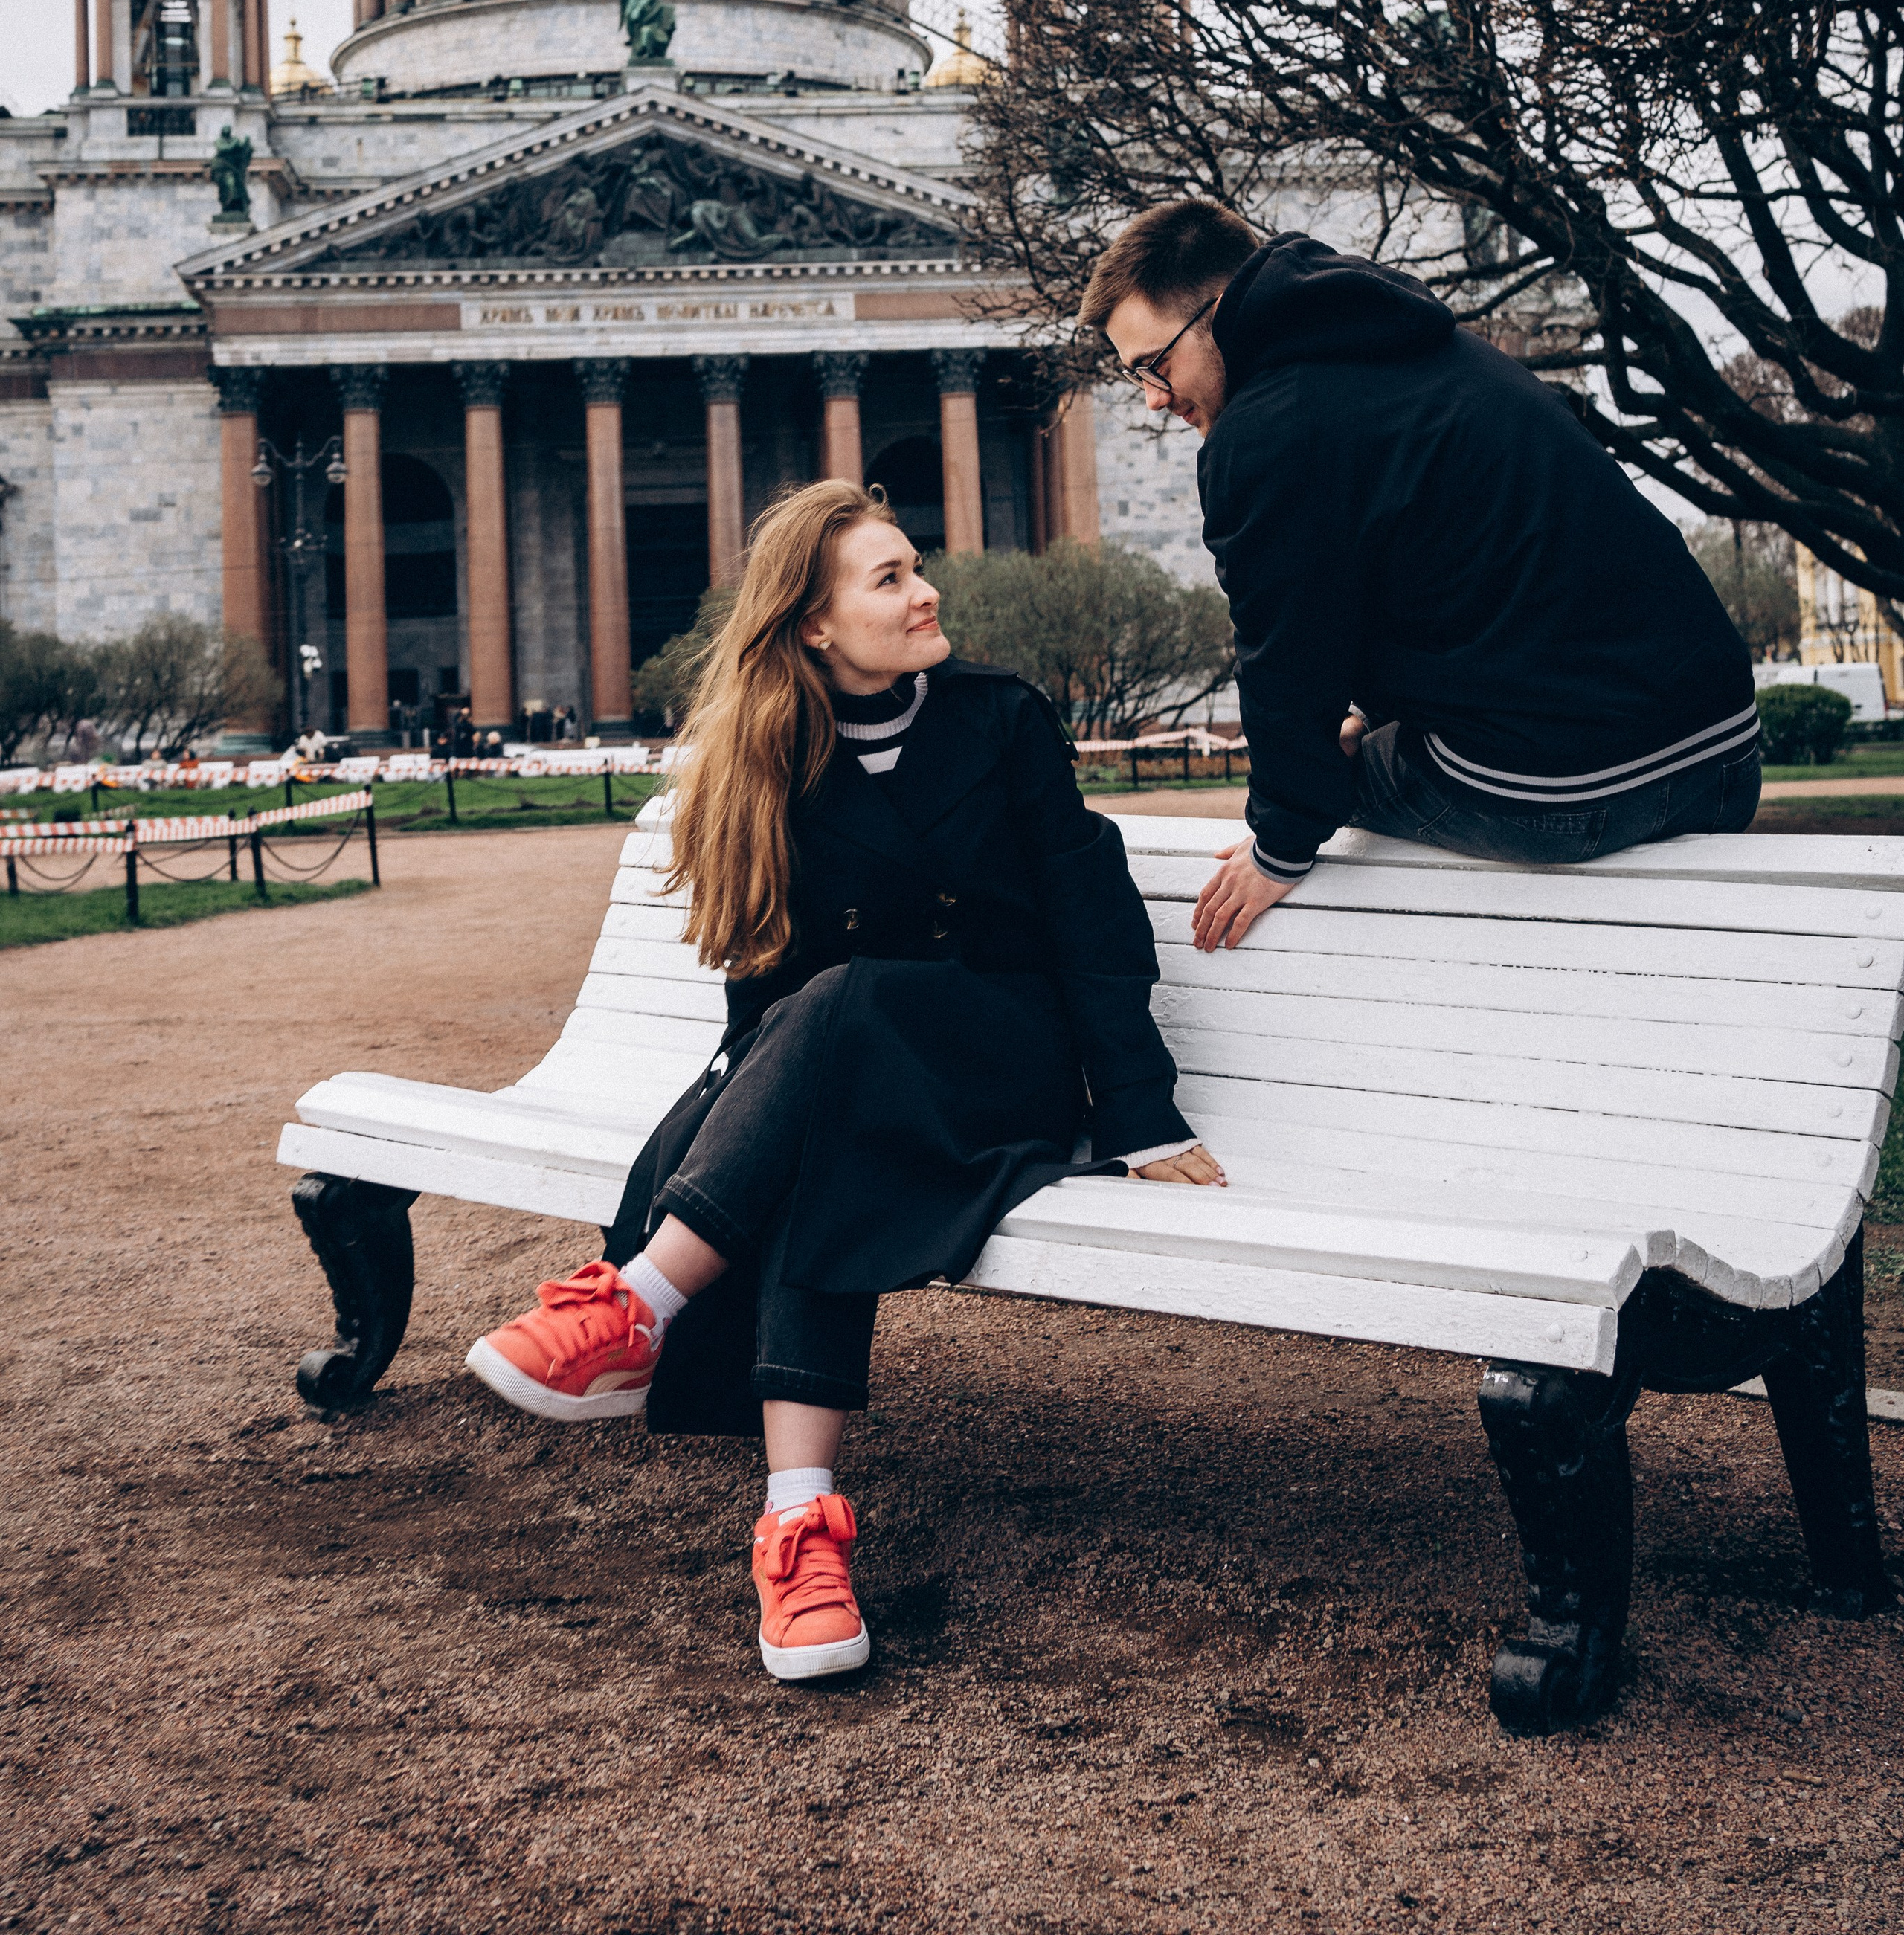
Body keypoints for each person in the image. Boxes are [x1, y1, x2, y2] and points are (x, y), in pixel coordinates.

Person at [463, 479, 1221, 1681]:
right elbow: (765, 982)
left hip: (1004, 1064)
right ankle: (798, 1526)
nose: (925, 593)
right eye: (889, 579)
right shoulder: (764, 756)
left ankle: (639, 1304)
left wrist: (1136, 1111)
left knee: (853, 1010)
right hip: (852, 1073)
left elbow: (1092, 923)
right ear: (813, 624)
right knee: (822, 1123)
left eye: (914, 567)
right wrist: (735, 1099)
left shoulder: (1000, 719)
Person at [1081, 202, 1760, 951]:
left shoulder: (1264, 433)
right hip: (1725, 752)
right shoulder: (1425, 345)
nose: (1150, 396)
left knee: (1334, 766)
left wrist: (1282, 842)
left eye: (1153, 364)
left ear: (1214, 309)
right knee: (1353, 738)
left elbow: (1284, 656)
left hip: (1572, 790)